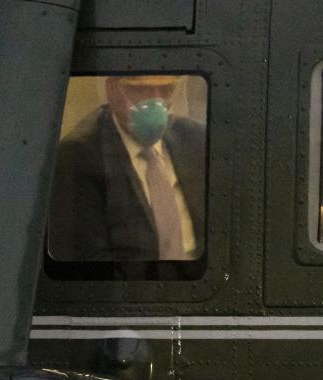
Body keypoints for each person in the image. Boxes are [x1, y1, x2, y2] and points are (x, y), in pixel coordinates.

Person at [47, 75, 206, 280]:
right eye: (140, 90)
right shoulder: (79, 156)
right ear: (111, 90)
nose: (156, 102)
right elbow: (89, 265)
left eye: (166, 90)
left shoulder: (195, 139)